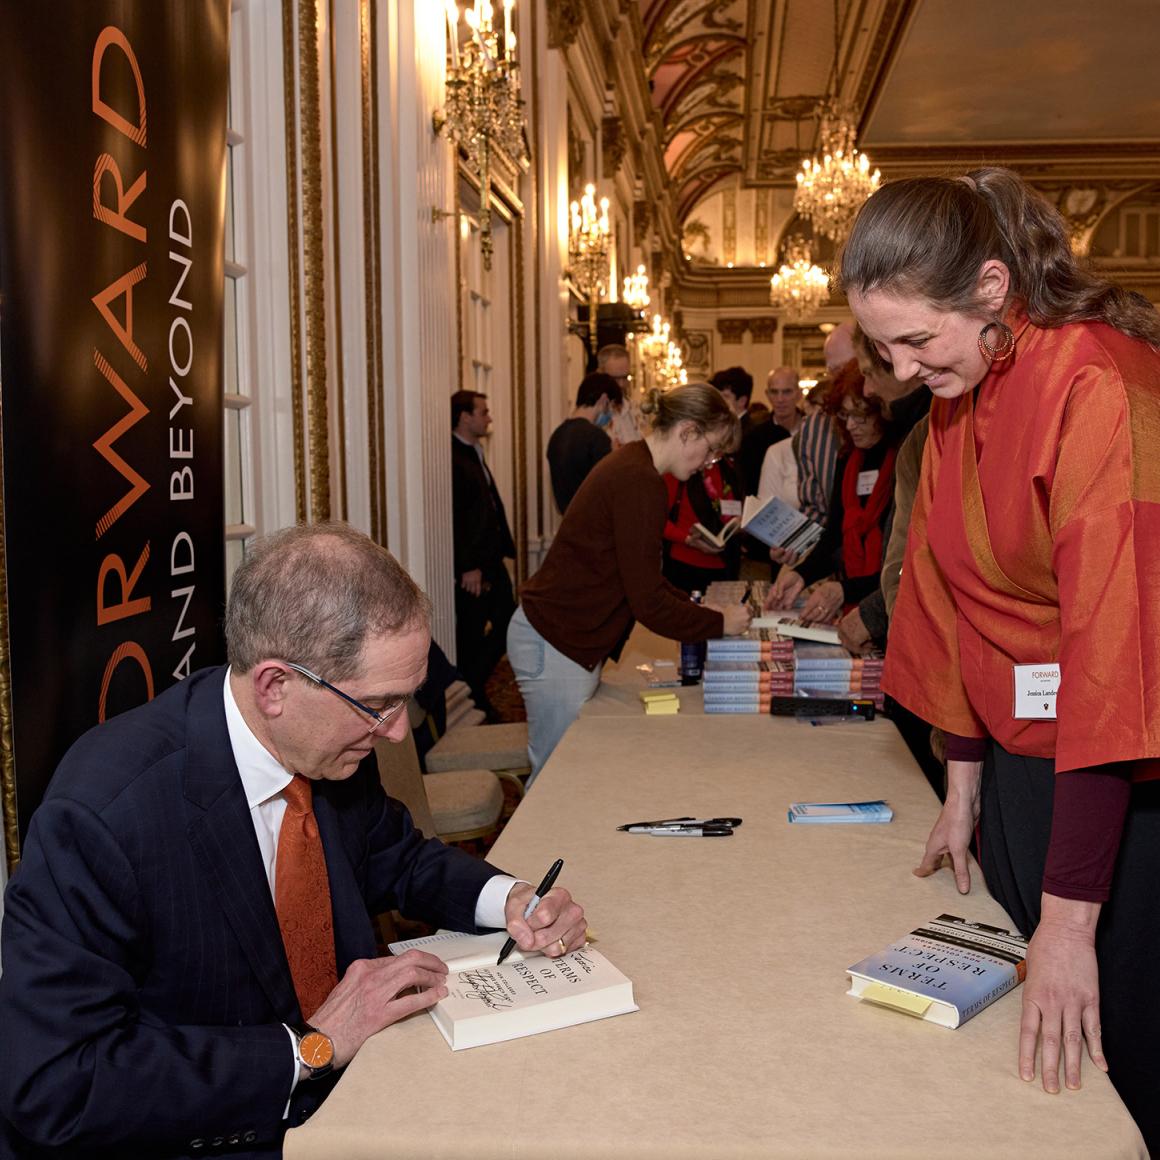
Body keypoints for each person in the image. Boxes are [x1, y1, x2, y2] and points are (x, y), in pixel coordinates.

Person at [0, 522, 586, 1159]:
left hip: (364, 1090)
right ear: (276, 686)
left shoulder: (328, 750)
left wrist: (510, 899)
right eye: (379, 705)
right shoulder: (105, 815)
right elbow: (57, 1083)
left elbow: (397, 856)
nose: (396, 733)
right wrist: (312, 1047)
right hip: (221, 1132)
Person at [838, 167, 1160, 1151]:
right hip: (1024, 763)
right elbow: (942, 599)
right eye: (878, 345)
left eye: (912, 340)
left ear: (987, 287)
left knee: (1114, 1048)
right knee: (1028, 1043)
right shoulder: (959, 384)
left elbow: (1116, 657)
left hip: (1121, 779)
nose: (894, 371)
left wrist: (1071, 924)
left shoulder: (1096, 382)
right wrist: (960, 781)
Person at [509, 383, 753, 779]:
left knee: (568, 770)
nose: (708, 462)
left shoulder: (636, 467)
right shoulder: (639, 480)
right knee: (555, 777)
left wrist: (699, 610)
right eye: (709, 449)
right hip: (554, 640)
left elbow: (643, 579)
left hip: (563, 639)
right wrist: (718, 623)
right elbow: (648, 601)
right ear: (687, 430)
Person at [766, 362, 899, 635]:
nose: (851, 425)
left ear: (882, 412)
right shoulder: (848, 460)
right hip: (854, 601)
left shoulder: (901, 458)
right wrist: (800, 574)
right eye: (844, 414)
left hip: (891, 604)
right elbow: (833, 536)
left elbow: (902, 563)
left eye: (861, 416)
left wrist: (844, 589)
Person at [451, 389, 516, 718]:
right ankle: (475, 694)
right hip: (474, 567)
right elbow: (458, 517)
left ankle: (475, 688)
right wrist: (468, 566)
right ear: (465, 416)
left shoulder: (474, 450)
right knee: (472, 634)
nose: (488, 418)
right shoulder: (453, 456)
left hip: (492, 560)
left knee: (510, 622)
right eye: (484, 411)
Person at [661, 423, 746, 593]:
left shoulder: (727, 467)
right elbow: (658, 520)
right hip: (685, 565)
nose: (715, 458)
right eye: (715, 449)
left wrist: (741, 523)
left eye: (722, 451)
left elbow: (734, 504)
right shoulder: (679, 468)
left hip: (726, 564)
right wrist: (687, 539)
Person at [794, 323, 853, 522]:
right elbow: (813, 508)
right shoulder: (814, 428)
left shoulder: (892, 420)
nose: (837, 380)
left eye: (844, 369)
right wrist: (797, 547)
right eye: (831, 371)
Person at [546, 371, 617, 513]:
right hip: (593, 523)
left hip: (568, 522)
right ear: (604, 400)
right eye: (612, 406)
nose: (611, 413)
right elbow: (610, 489)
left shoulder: (557, 435)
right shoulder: (597, 437)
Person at [711, 366, 786, 497]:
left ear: (742, 401)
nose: (718, 403)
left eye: (725, 397)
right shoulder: (721, 431)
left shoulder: (754, 436)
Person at [756, 366, 804, 508]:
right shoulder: (754, 439)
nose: (780, 399)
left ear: (799, 394)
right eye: (774, 392)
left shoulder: (813, 433)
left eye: (787, 392)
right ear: (767, 394)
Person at [597, 343, 642, 447]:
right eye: (615, 379)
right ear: (600, 373)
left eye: (625, 377)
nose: (621, 384)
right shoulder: (595, 413)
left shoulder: (635, 408)